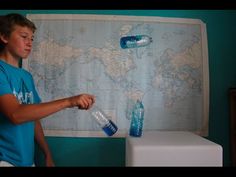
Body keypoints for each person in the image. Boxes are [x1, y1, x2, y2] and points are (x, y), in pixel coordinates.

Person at [0, 13, 95, 167]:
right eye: (24, 36)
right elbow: (15, 114)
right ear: (4, 36)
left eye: (31, 39)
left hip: (27, 160)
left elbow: (33, 117)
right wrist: (69, 101)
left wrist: (47, 153)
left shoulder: (26, 76)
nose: (29, 43)